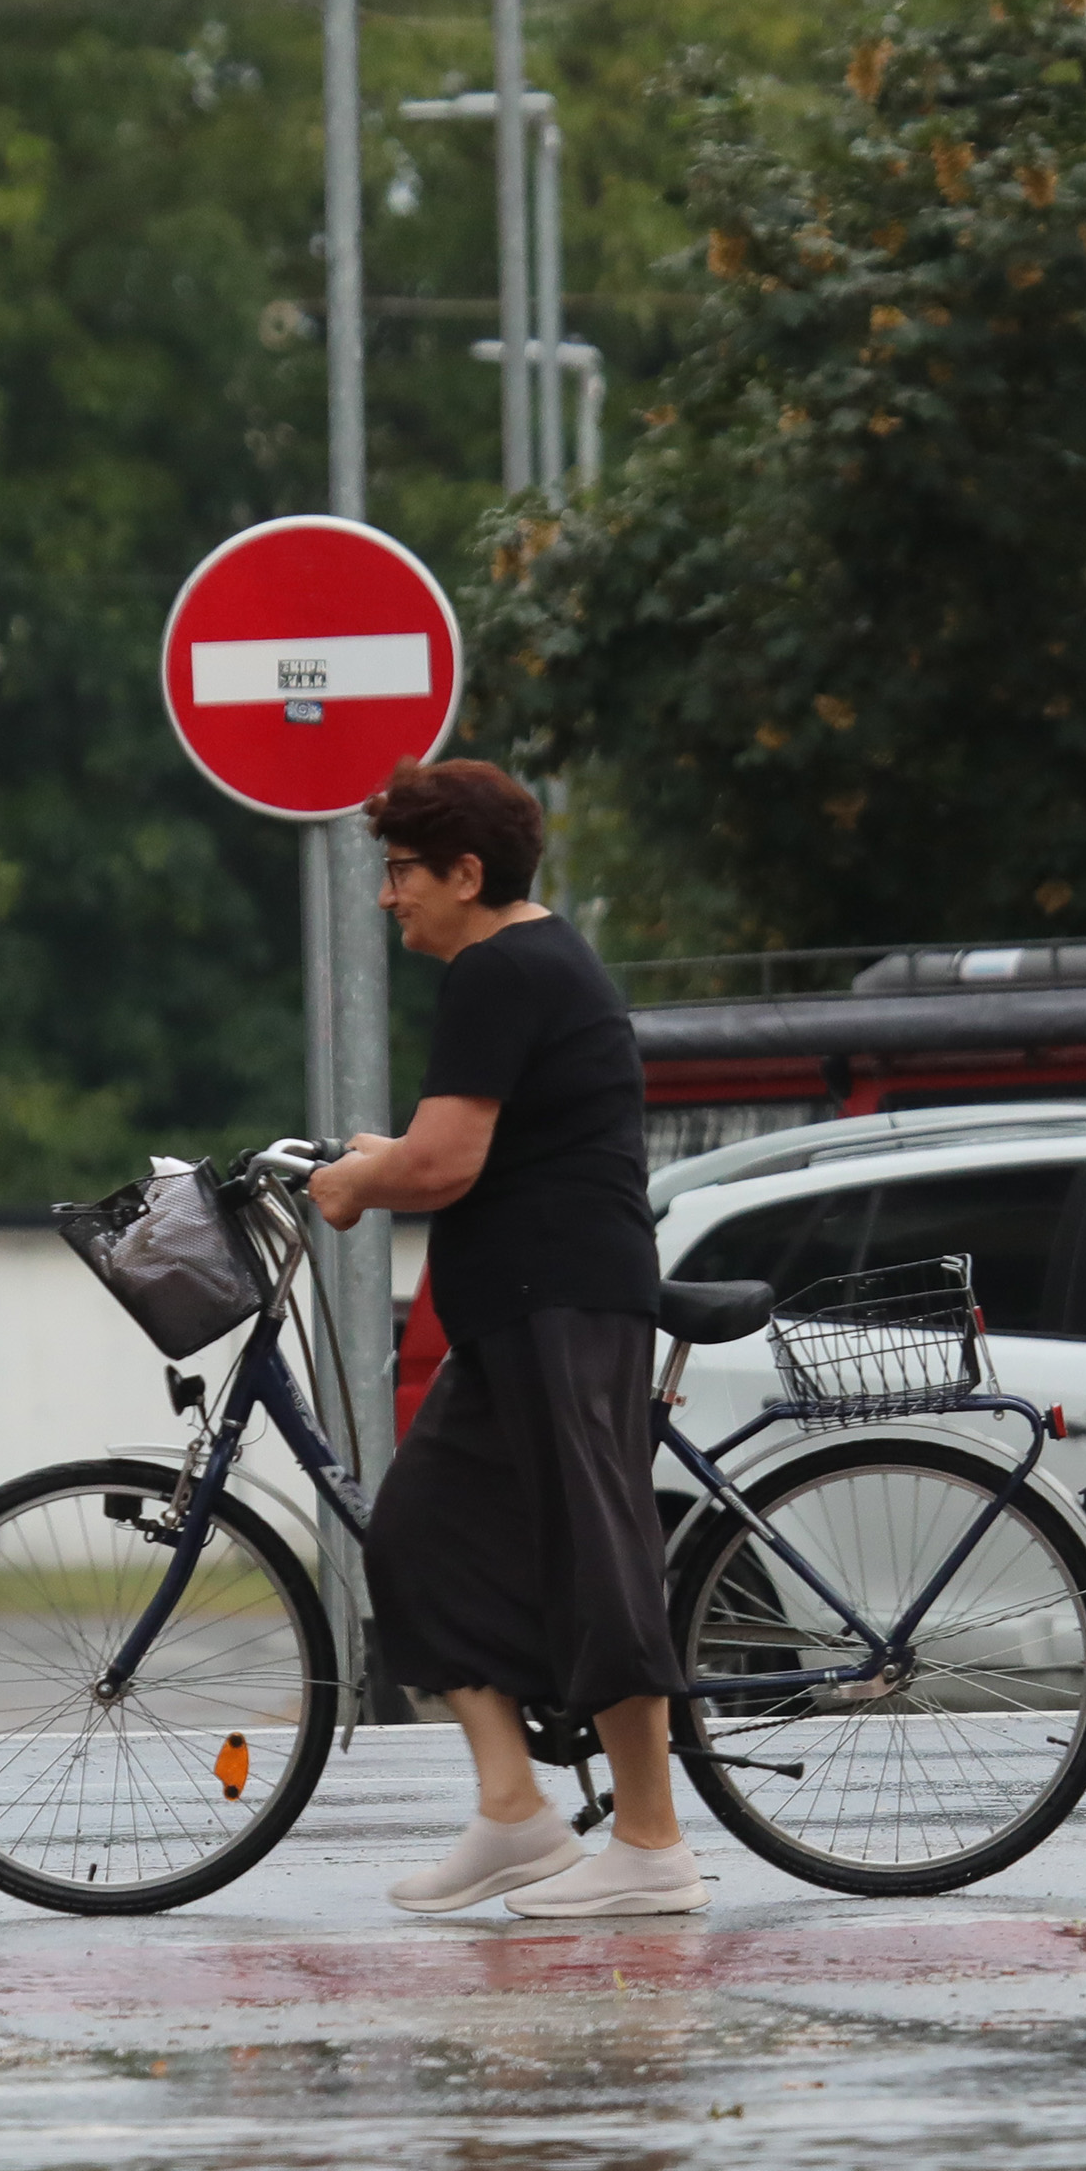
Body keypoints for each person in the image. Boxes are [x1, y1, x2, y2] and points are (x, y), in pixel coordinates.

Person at [307, 761, 706, 1917]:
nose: (388, 898)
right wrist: (380, 1154)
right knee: (416, 1537)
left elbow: (442, 1165)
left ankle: (651, 1842)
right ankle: (515, 1812)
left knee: (596, 1557)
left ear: (465, 874)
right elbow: (466, 1133)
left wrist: (358, 1181)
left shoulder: (500, 967)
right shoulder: (529, 962)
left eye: (400, 872)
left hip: (559, 1299)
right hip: (516, 1302)